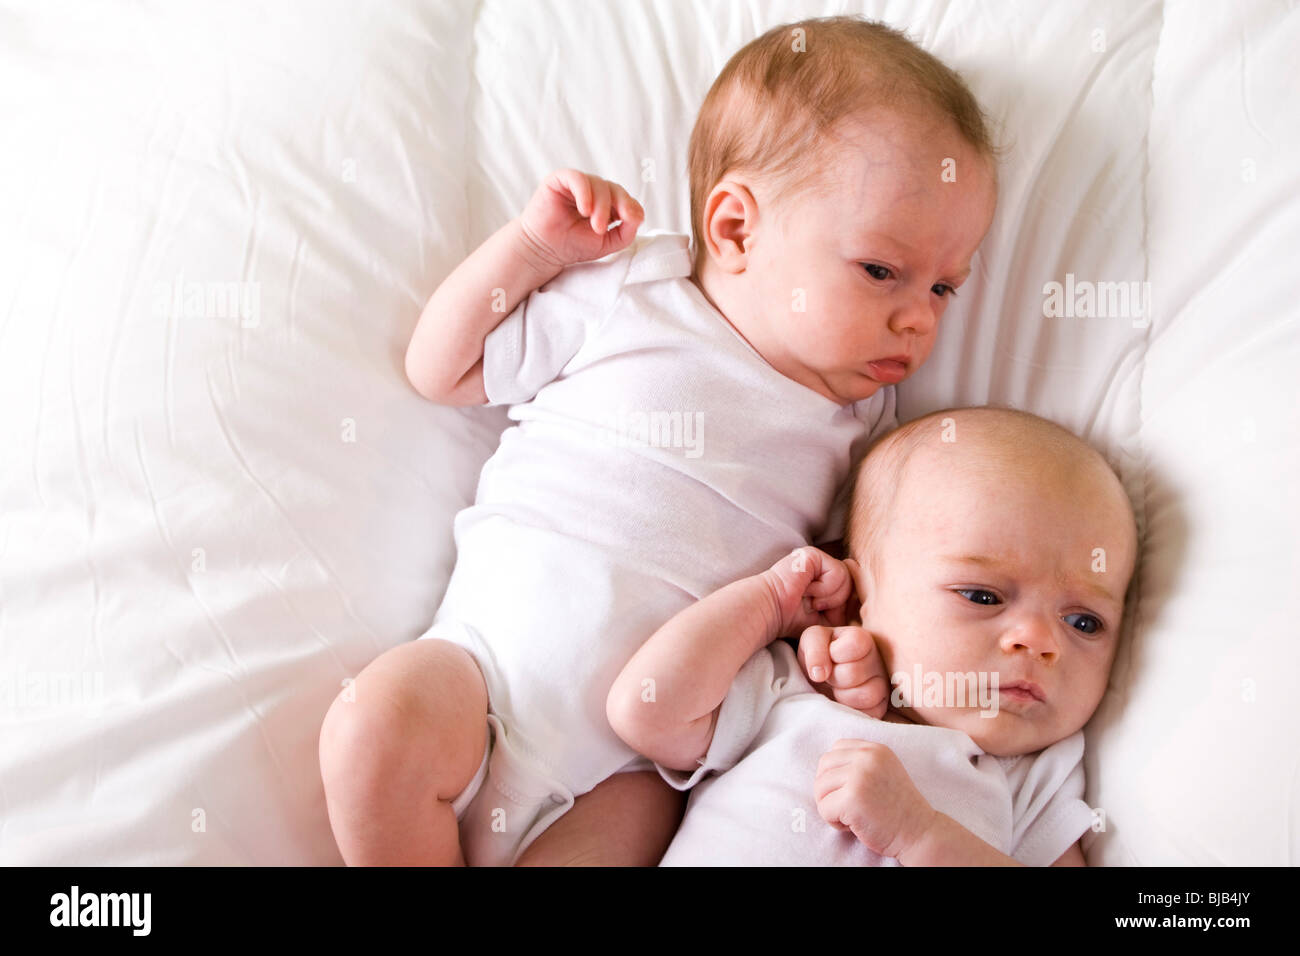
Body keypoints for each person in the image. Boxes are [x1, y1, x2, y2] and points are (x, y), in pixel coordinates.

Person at [319, 16, 999, 866]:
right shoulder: (636, 286)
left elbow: (850, 584)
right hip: (484, 674)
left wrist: (839, 641)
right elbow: (441, 369)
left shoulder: (872, 433)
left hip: (634, 767)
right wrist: (531, 251)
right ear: (736, 228)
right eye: (881, 271)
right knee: (370, 728)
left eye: (946, 287)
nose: (918, 317)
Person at [609, 407, 1138, 865]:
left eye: (1083, 622)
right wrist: (770, 604)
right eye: (982, 596)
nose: (1039, 641)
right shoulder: (799, 686)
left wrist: (924, 837)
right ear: (861, 600)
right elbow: (647, 713)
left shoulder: (1032, 780)